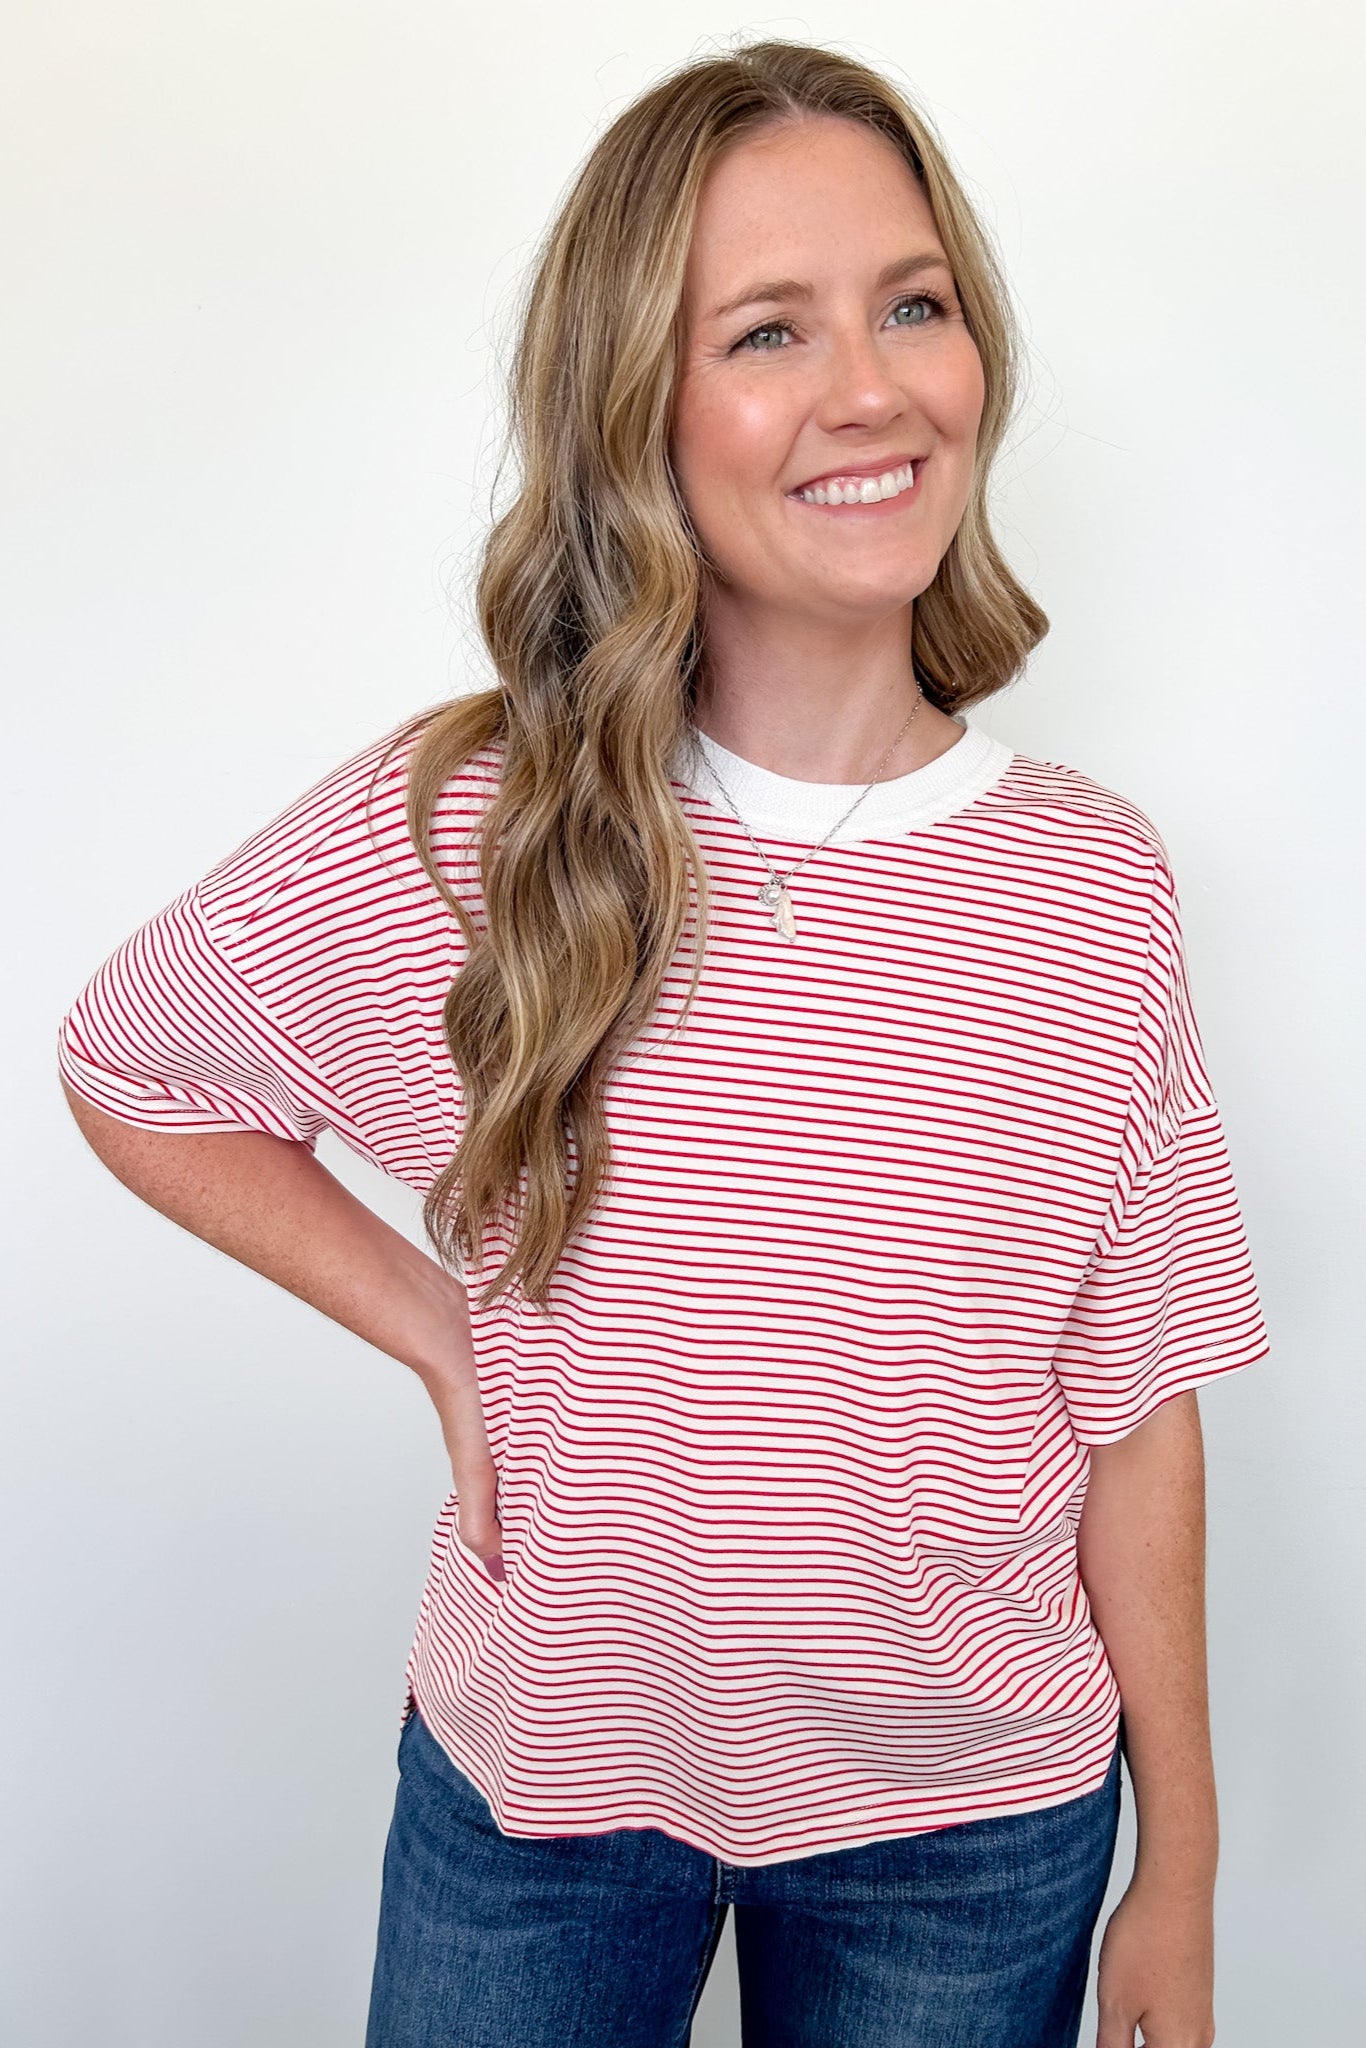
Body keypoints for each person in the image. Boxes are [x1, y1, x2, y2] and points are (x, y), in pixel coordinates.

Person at [56, 36, 1269, 2048]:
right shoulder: (486, 823)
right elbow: (133, 1060)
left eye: (911, 304)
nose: (868, 387)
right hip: (539, 1790)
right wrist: (445, 1336)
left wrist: (1185, 1870)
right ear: (642, 409)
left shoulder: (1090, 888)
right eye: (765, 331)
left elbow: (1134, 1399)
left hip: (967, 1830)